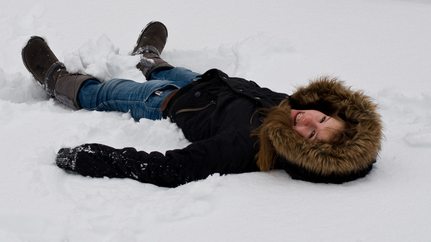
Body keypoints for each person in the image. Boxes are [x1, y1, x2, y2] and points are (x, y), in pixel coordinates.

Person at [21, 21, 383, 187]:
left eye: (312, 135)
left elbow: (173, 169)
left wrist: (94, 158)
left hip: (167, 102)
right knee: (167, 69)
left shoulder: (250, 146)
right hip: (206, 82)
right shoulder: (295, 105)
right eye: (321, 118)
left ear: (305, 152)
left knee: (105, 91)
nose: (306, 121)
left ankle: (58, 81)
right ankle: (148, 58)